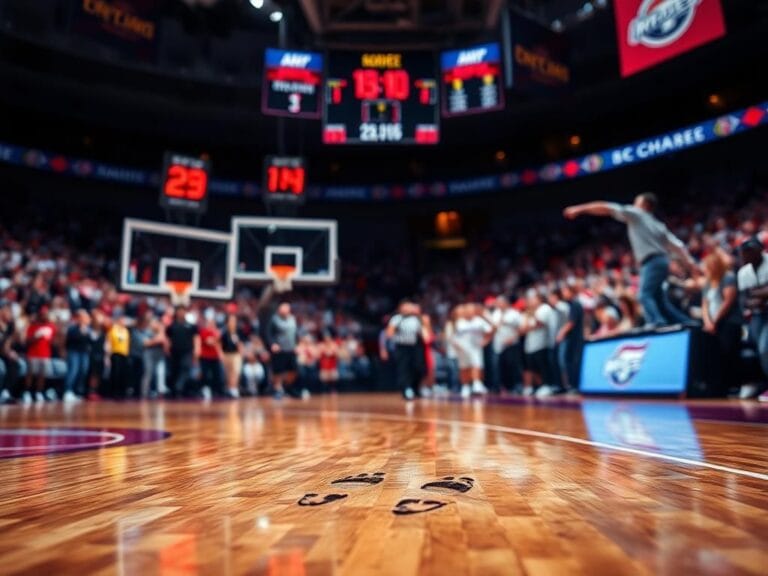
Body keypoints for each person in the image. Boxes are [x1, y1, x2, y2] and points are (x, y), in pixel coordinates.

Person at [564, 193, 699, 327]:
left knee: (644, 295)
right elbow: (677, 245)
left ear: (644, 205)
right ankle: (687, 323)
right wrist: (691, 262)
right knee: (659, 301)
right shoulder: (658, 225)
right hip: (663, 261)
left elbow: (606, 207)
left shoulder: (637, 214)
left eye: (636, 202)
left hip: (651, 261)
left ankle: (656, 323)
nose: (634, 205)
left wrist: (580, 209)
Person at [701, 251, 741, 396]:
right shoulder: (708, 283)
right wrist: (708, 322)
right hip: (712, 325)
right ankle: (718, 387)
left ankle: (733, 385)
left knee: (728, 353)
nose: (706, 269)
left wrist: (715, 321)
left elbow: (728, 301)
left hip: (729, 322)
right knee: (715, 356)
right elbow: (704, 305)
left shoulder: (728, 277)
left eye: (709, 265)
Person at [737, 238, 768, 402]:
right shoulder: (743, 272)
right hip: (756, 315)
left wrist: (755, 294)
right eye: (744, 253)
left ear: (760, 250)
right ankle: (761, 384)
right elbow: (744, 300)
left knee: (765, 348)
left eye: (751, 251)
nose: (747, 255)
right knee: (755, 350)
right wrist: (761, 294)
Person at [450, 303, 494, 399]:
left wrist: (486, 340)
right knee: (464, 368)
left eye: (471, 310)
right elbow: (453, 335)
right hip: (462, 348)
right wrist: (455, 344)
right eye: (467, 310)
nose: (469, 312)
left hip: (475, 348)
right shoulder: (459, 321)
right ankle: (465, 387)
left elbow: (491, 330)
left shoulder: (479, 321)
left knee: (476, 365)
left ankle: (476, 384)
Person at [386, 301, 426, 400]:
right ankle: (406, 389)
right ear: (401, 308)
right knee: (404, 369)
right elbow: (389, 333)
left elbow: (423, 333)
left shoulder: (416, 319)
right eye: (406, 306)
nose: (409, 308)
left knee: (418, 367)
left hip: (415, 346)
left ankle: (415, 387)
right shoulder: (397, 319)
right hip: (402, 347)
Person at [520, 291, 555, 397]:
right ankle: (540, 386)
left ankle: (547, 385)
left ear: (540, 299)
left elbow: (539, 323)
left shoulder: (544, 308)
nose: (530, 301)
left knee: (543, 366)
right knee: (533, 367)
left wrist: (532, 316)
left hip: (542, 342)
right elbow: (522, 329)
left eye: (533, 299)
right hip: (530, 345)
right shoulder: (529, 311)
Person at [268, 302, 303, 399]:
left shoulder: (292, 319)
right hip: (280, 349)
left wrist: (298, 345)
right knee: (278, 371)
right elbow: (269, 333)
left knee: (294, 370)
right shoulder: (274, 319)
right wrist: (273, 343)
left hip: (291, 349)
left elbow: (296, 333)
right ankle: (277, 390)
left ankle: (288, 387)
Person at [24, 307, 56, 404]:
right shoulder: (33, 326)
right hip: (33, 354)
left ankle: (39, 392)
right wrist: (36, 336)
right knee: (31, 374)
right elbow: (27, 341)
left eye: (46, 314)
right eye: (42, 314)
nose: (44, 316)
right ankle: (27, 392)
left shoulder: (51, 327)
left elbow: (54, 341)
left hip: (45, 354)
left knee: (42, 375)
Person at [556, 283, 585, 392]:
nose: (563, 294)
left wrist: (561, 333)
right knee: (569, 362)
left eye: (565, 291)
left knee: (572, 362)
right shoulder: (570, 305)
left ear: (571, 292)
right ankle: (572, 386)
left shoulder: (575, 304)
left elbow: (571, 322)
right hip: (572, 339)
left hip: (575, 339)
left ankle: (574, 386)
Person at [166, 306, 200, 398]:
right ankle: (175, 389)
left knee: (185, 367)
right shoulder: (172, 326)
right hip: (175, 351)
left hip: (187, 351)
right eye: (179, 311)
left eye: (183, 311)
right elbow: (168, 338)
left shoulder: (191, 326)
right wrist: (167, 348)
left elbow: (196, 338)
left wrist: (197, 349)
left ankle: (179, 387)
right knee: (175, 370)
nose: (181, 313)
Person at [492, 296, 524, 393]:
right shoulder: (495, 313)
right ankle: (505, 387)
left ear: (506, 303)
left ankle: (517, 386)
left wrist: (513, 338)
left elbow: (521, 328)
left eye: (500, 302)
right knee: (502, 367)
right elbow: (493, 327)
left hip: (512, 343)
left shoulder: (515, 313)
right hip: (499, 345)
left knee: (513, 365)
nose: (498, 304)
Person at [64, 309, 91, 402]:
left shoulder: (88, 329)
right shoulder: (73, 328)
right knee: (73, 371)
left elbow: (90, 341)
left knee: (83, 371)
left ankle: (77, 392)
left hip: (84, 353)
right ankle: (68, 391)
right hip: (74, 352)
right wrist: (81, 331)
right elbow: (69, 339)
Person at [198, 312, 223, 399]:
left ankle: (215, 391)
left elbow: (218, 344)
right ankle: (204, 389)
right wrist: (216, 336)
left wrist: (220, 354)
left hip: (215, 357)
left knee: (217, 375)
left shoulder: (215, 332)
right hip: (205, 357)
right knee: (205, 375)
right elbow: (209, 342)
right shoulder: (204, 331)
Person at [105, 314, 130, 398]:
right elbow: (108, 342)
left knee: (122, 374)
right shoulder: (113, 329)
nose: (124, 322)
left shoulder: (126, 330)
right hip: (115, 353)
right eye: (122, 320)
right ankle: (113, 391)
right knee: (115, 373)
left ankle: (121, 391)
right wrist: (107, 355)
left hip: (124, 354)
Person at [220, 314, 245, 398]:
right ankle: (229, 389)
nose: (232, 323)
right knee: (228, 373)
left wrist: (241, 353)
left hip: (236, 355)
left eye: (234, 321)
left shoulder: (238, 332)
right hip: (227, 354)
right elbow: (219, 343)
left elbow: (240, 344)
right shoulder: (224, 332)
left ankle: (234, 388)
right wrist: (221, 354)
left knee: (236, 371)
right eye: (231, 321)